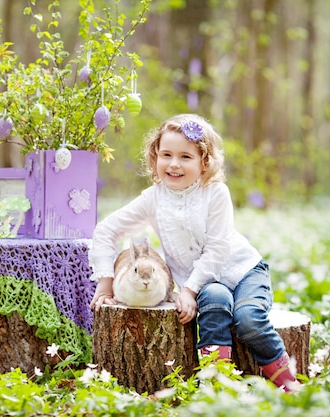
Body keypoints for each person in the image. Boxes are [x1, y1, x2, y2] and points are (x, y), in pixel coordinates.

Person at [88, 113, 299, 392]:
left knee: (247, 318)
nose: (174, 164)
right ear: (155, 157)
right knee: (213, 304)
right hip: (207, 284)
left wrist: (187, 290)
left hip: (244, 271)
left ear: (204, 162)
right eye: (166, 154)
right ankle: (217, 384)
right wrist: (106, 281)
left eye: (186, 157)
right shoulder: (153, 199)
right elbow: (105, 231)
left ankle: (287, 382)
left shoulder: (215, 193)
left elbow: (218, 248)